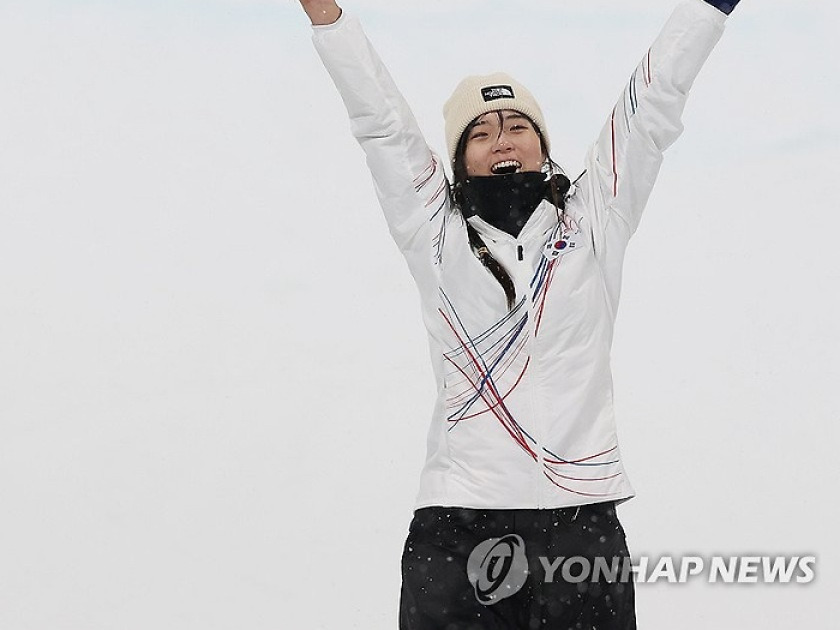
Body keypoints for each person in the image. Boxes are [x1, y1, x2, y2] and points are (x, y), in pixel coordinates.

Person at [295, 0, 739, 627]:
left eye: (516, 125)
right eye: (480, 132)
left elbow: (651, 106)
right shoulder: (437, 234)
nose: (501, 138)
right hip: (460, 527)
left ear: (541, 145)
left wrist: (711, 7)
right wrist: (328, 17)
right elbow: (383, 126)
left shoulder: (593, 220)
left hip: (581, 530)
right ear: (459, 161)